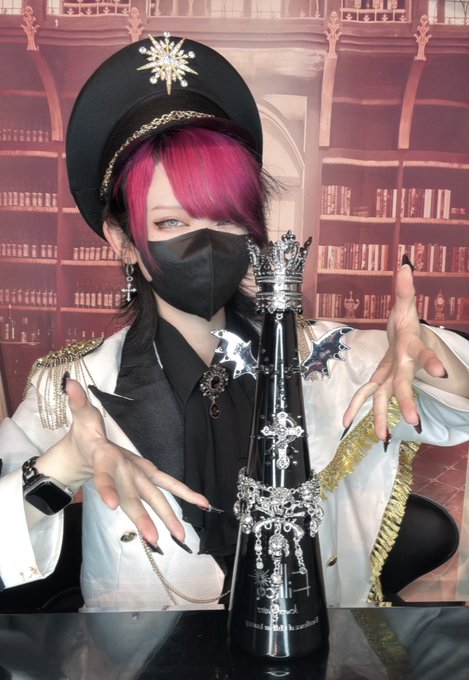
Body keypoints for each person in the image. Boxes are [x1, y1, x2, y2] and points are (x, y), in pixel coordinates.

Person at [0, 33, 468, 611]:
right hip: (138, 655)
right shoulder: (69, 391)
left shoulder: (336, 360)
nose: (205, 242)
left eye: (225, 218)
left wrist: (426, 354)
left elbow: (455, 406)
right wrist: (63, 466)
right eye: (171, 223)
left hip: (315, 647)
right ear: (122, 240)